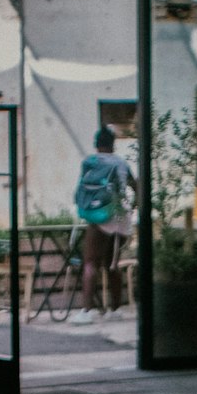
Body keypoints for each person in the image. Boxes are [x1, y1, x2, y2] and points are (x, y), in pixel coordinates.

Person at [70, 125, 136, 324]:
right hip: (117, 217)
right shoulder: (121, 164)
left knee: (90, 262)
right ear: (113, 144)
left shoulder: (88, 162)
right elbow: (135, 185)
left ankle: (87, 311)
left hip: (96, 217)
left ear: (96, 144)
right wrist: (133, 207)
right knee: (112, 264)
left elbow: (80, 191)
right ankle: (114, 309)